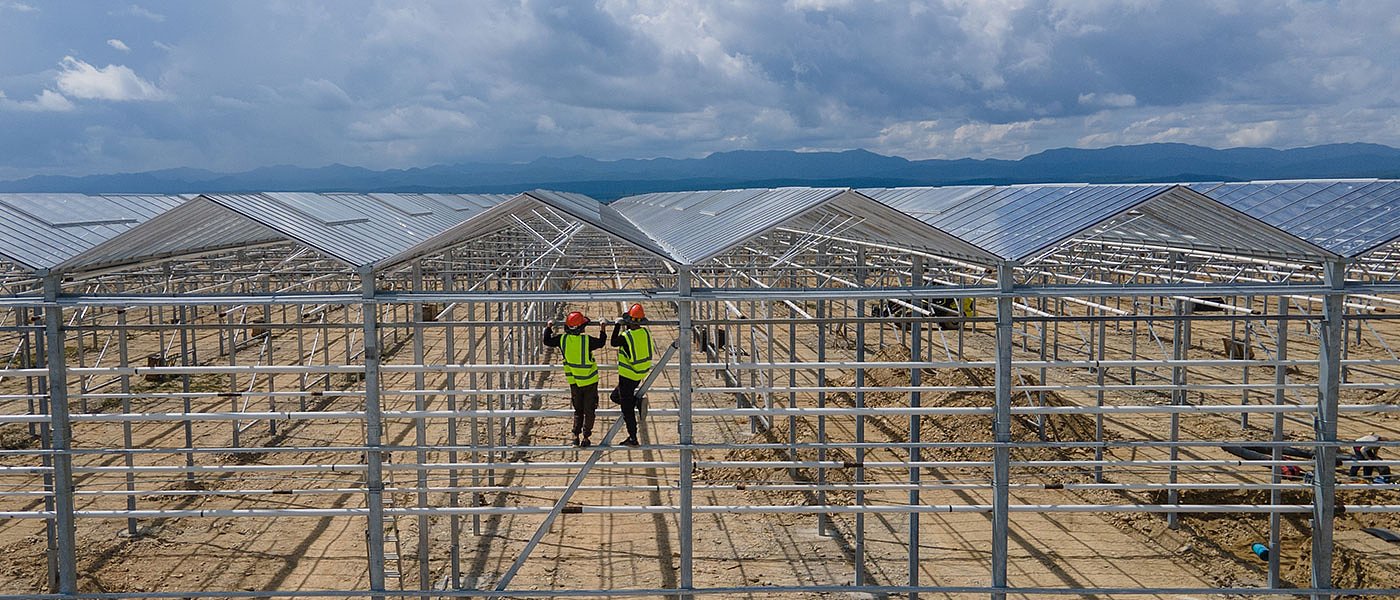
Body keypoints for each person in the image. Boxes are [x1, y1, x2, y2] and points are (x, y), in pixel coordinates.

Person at [544, 311, 607, 447]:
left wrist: (549, 327)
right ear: (581, 328)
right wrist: (602, 327)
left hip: (574, 381)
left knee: (578, 410)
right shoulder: (586, 340)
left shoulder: (562, 340)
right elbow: (601, 343)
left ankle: (575, 435)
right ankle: (586, 437)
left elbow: (547, 340)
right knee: (589, 410)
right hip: (589, 381)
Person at [610, 303, 652, 447]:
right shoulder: (645, 333)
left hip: (627, 375)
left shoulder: (626, 336)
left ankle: (633, 437)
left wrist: (617, 325)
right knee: (615, 396)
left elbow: (613, 342)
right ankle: (637, 402)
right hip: (640, 373)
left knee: (626, 409)